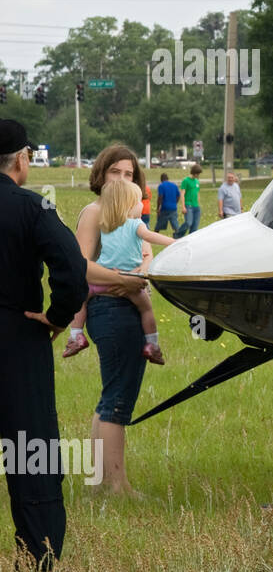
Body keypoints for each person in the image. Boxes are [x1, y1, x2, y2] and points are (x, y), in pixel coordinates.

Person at [0, 121, 88, 572]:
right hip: (17, 337)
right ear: (22, 158)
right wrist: (57, 317)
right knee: (29, 446)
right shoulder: (32, 208)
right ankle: (39, 559)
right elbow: (72, 268)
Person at [76, 145, 153, 496]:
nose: (123, 179)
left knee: (110, 396)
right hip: (110, 309)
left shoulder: (130, 216)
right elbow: (81, 265)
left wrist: (142, 271)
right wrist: (124, 280)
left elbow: (147, 254)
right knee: (119, 401)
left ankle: (99, 482)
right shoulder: (94, 212)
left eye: (129, 174)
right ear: (101, 175)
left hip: (124, 307)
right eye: (115, 172)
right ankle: (118, 485)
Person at [73, 180, 173, 364]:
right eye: (138, 201)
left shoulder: (105, 225)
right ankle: (152, 344)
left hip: (100, 281)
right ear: (128, 204)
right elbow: (151, 237)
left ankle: (76, 335)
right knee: (146, 309)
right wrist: (174, 243)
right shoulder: (136, 224)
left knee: (81, 300)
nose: (141, 205)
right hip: (128, 281)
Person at [176, 164, 202, 237]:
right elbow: (182, 194)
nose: (198, 175)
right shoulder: (186, 180)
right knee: (188, 223)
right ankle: (177, 235)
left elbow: (197, 193)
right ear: (194, 172)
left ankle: (191, 238)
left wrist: (199, 205)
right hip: (188, 205)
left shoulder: (197, 181)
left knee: (195, 226)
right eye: (197, 173)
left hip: (196, 206)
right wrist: (183, 206)